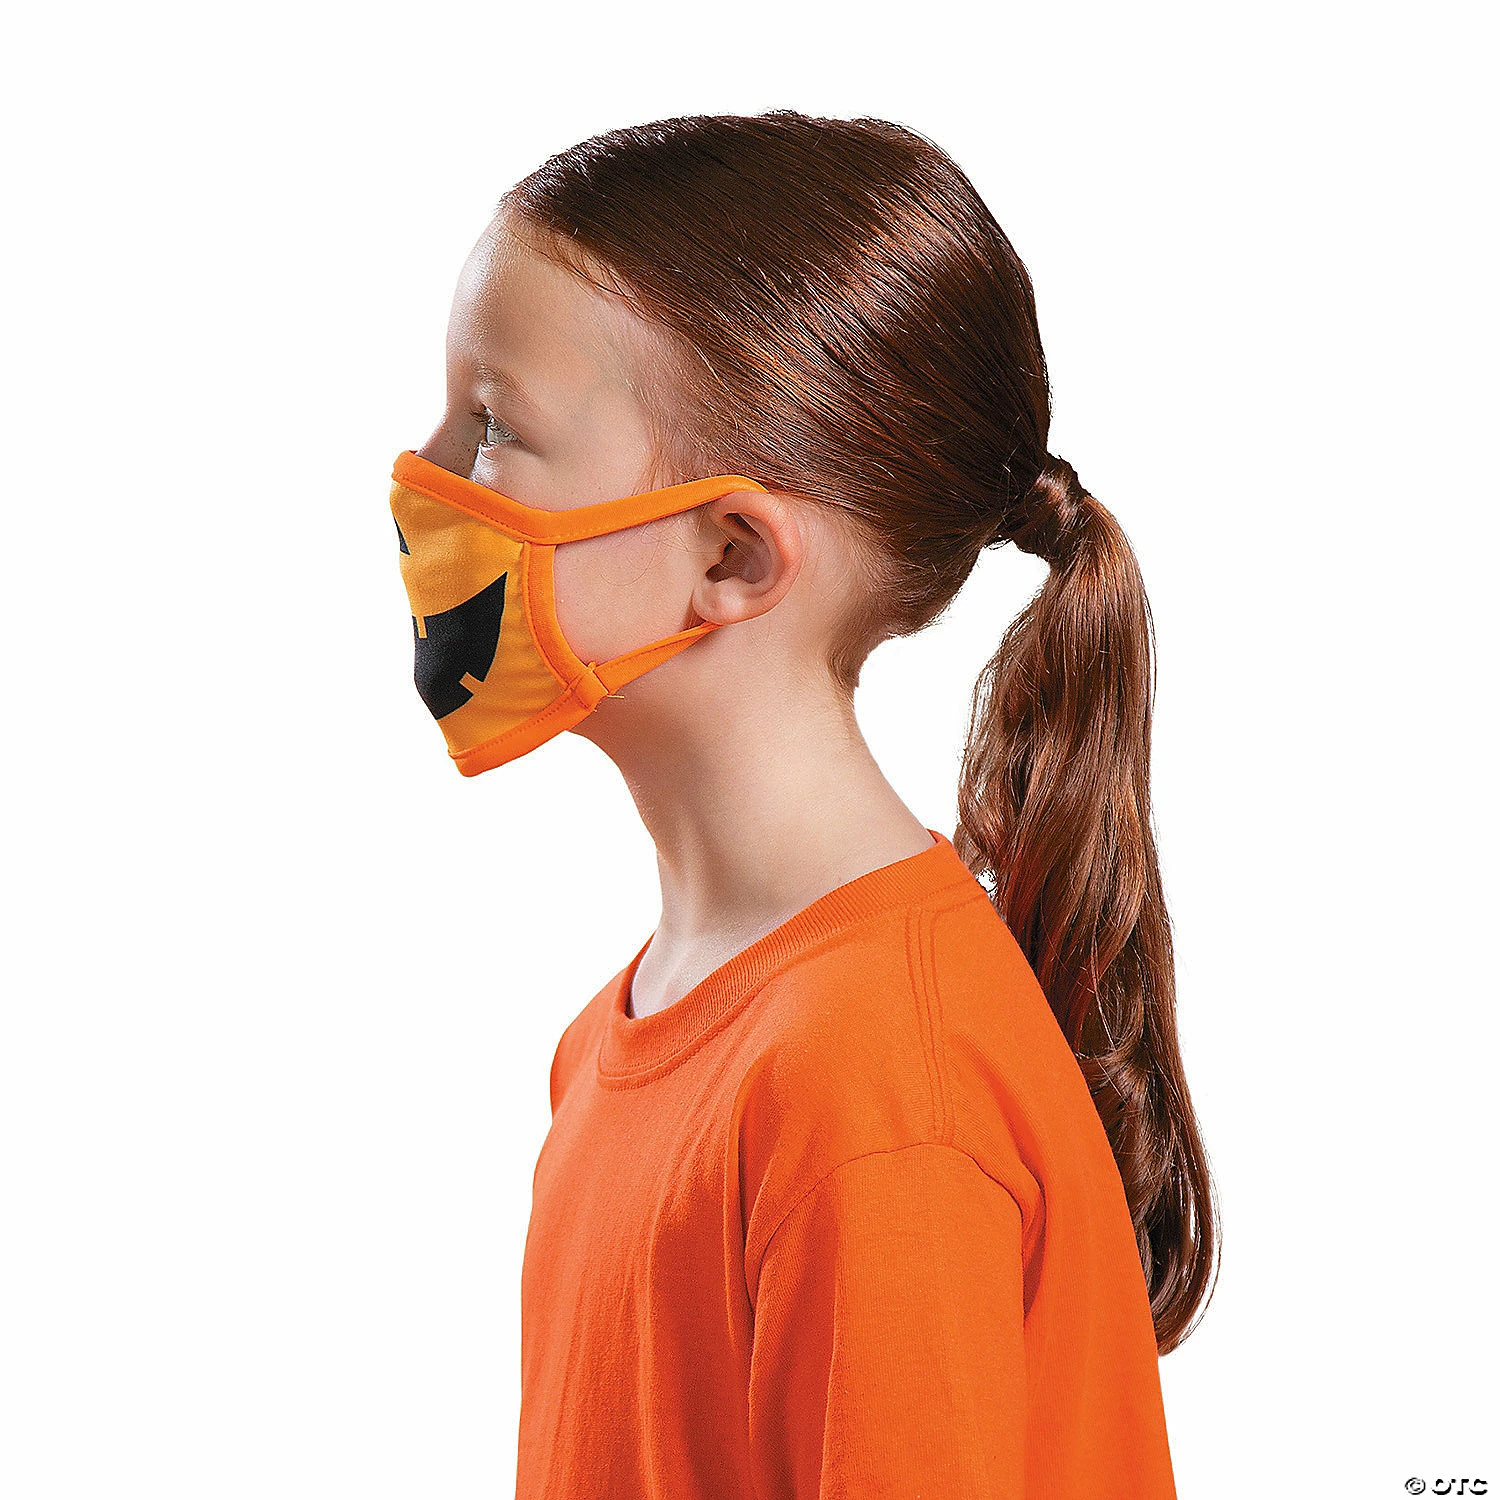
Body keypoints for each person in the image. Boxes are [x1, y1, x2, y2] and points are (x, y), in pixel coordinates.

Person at [388, 109, 1216, 1498]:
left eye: (493, 428)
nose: (423, 477)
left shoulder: (879, 1090)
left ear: (731, 555)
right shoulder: (622, 1039)